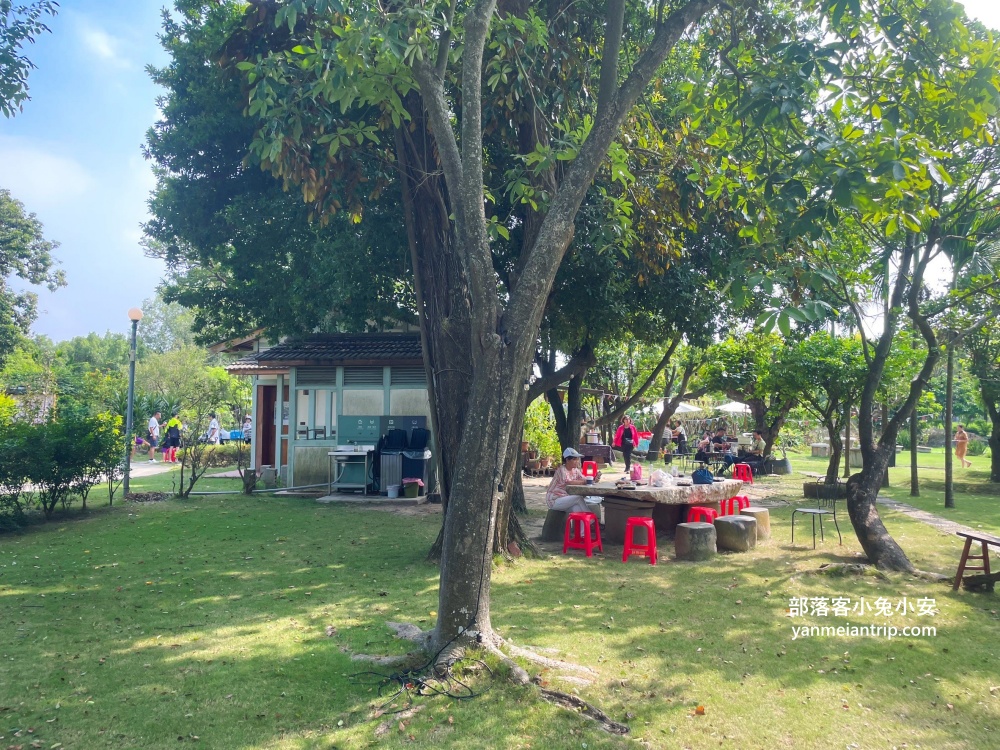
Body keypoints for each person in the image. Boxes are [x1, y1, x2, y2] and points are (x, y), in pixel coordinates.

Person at [546, 448, 600, 514]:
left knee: (577, 510)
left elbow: (584, 479)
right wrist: (585, 482)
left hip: (565, 498)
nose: (577, 461)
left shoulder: (575, 470)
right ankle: (591, 520)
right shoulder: (562, 470)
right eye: (574, 459)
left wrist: (594, 479)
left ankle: (585, 523)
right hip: (554, 500)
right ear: (567, 460)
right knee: (578, 498)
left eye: (577, 459)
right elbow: (568, 482)